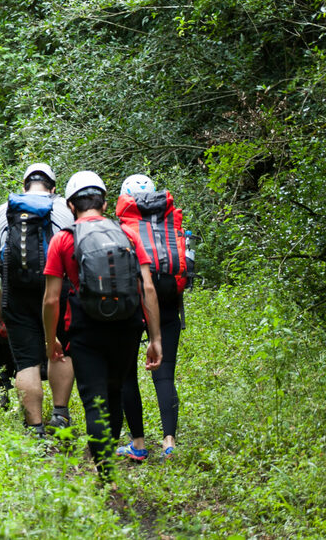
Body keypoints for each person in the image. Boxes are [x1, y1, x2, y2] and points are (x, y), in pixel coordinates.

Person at [42, 171, 163, 481]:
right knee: (114, 391)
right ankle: (109, 459)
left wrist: (51, 339)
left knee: (93, 399)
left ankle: (105, 474)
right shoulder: (128, 234)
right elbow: (147, 288)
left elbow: (51, 300)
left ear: (70, 206)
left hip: (85, 330)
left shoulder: (64, 239)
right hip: (127, 326)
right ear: (105, 203)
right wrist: (155, 338)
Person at [0, 163, 75, 436]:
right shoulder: (63, 210)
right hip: (57, 291)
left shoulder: (4, 211)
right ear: (54, 188)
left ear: (24, 186)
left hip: (16, 293)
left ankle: (35, 427)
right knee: (61, 352)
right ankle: (60, 416)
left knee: (25, 361)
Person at [115, 174, 187, 461]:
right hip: (169, 297)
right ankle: (169, 441)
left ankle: (139, 444)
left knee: (126, 373)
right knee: (165, 372)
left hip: (133, 303)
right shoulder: (168, 222)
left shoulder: (123, 226)